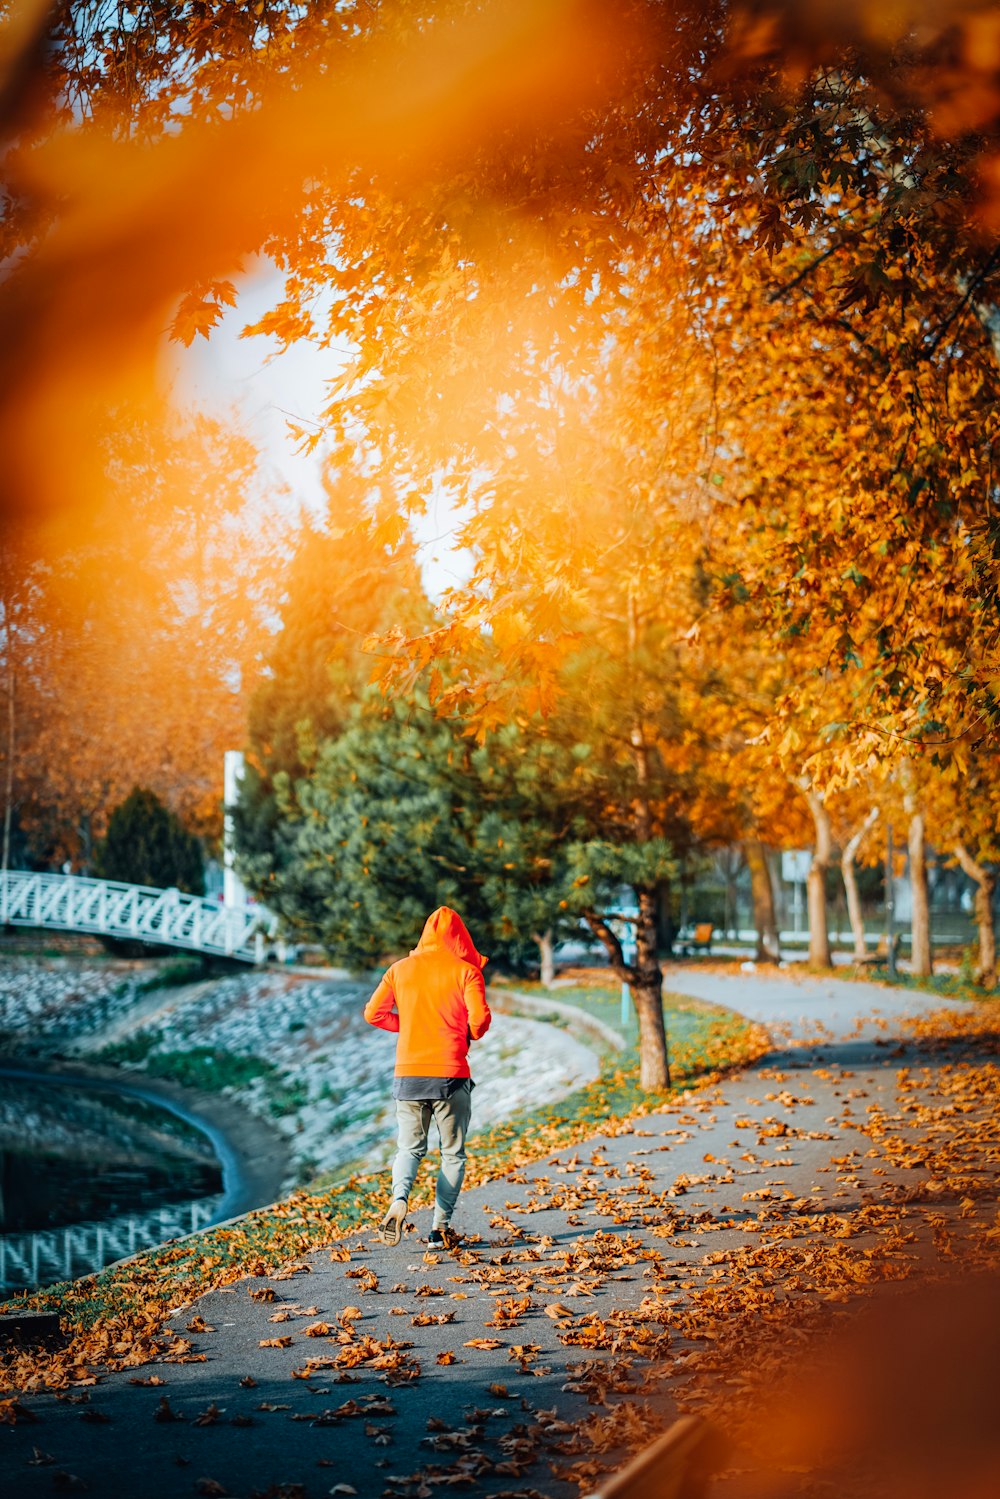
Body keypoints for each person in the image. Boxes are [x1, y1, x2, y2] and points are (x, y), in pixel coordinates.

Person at [364, 906, 491, 1248]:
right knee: (452, 1153)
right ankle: (439, 1229)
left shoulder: (399, 970)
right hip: (450, 1076)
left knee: (409, 1147)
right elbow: (479, 1020)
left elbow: (373, 1013)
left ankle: (399, 1200)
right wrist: (465, 1033)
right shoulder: (466, 972)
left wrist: (410, 1025)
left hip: (408, 1077)